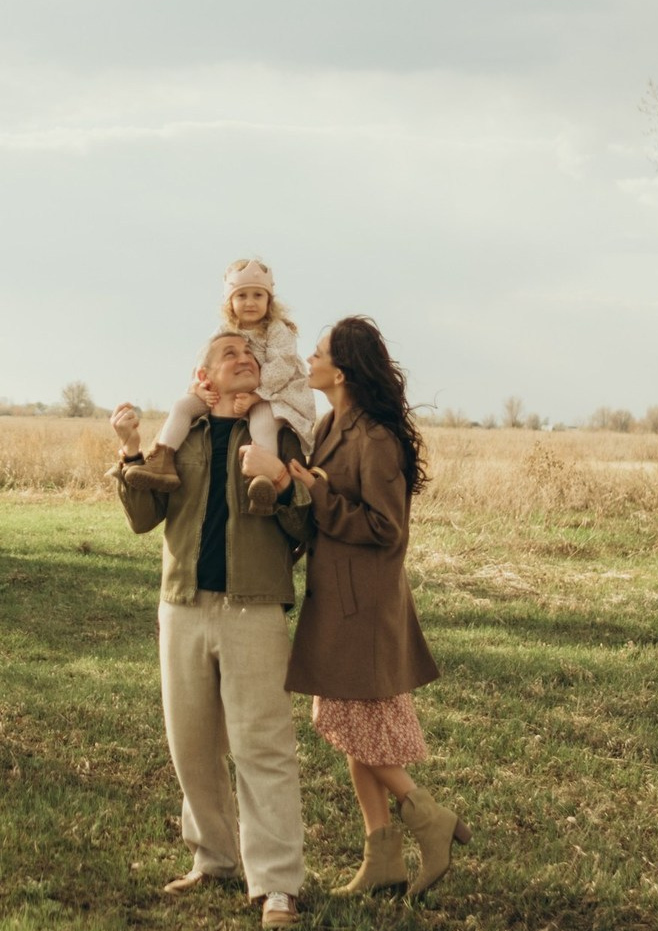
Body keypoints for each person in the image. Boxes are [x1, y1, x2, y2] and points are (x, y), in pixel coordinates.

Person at [242, 316, 471, 899]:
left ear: (340, 372)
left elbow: (387, 529)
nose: (308, 361)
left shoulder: (376, 439)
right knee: (353, 731)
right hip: (337, 599)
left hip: (363, 607)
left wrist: (316, 491)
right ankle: (382, 859)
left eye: (318, 354)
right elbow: (321, 503)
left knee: (351, 726)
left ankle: (428, 816)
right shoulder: (328, 424)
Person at [110, 332, 310, 929]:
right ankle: (214, 860)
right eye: (230, 354)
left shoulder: (279, 435)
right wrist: (129, 449)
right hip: (182, 606)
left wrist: (281, 481)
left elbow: (306, 526)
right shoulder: (182, 437)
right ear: (205, 375)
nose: (244, 360)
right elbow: (143, 518)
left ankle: (277, 885)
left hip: (255, 607)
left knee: (262, 746)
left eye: (251, 355)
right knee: (191, 743)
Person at [125, 259, 315, 513]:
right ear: (229, 302)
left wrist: (256, 396)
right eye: (242, 296)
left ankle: (262, 479)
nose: (250, 302)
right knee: (182, 406)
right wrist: (200, 386)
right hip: (228, 390)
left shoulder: (276, 329)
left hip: (273, 392)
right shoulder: (223, 330)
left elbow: (281, 366)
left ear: (269, 300)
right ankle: (163, 459)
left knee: (263, 423)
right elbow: (205, 361)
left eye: (258, 295)